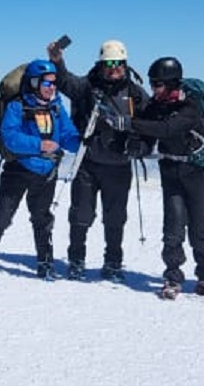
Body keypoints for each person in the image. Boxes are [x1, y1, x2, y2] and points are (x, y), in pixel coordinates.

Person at [47, 39, 149, 282]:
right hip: (88, 163)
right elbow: (64, 82)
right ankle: (76, 260)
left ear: (125, 64)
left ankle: (113, 263)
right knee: (80, 215)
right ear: (101, 65)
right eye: (109, 64)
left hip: (119, 166)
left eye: (118, 63)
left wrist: (141, 147)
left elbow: (149, 126)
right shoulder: (87, 87)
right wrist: (57, 60)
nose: (114, 68)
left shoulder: (135, 93)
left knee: (115, 218)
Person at [0, 59, 81, 283]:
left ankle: (45, 263)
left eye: (54, 83)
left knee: (42, 218)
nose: (51, 87)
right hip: (18, 169)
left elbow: (68, 135)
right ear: (34, 82)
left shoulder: (56, 107)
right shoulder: (18, 106)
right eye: (47, 83)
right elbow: (10, 137)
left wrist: (82, 142)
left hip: (46, 172)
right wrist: (39, 145)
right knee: (3, 215)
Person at [128, 56, 204, 301]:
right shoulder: (155, 106)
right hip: (171, 170)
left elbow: (167, 129)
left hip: (199, 172)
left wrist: (132, 124)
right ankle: (172, 276)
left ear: (171, 83)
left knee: (200, 228)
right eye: (152, 83)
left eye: (157, 84)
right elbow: (150, 136)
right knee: (173, 227)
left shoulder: (189, 106)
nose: (153, 88)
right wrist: (139, 146)